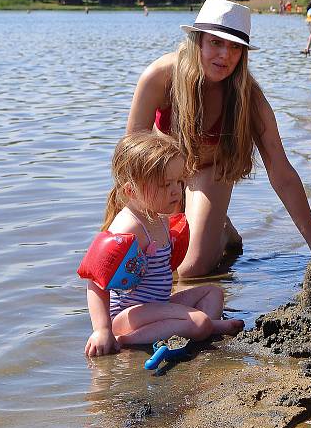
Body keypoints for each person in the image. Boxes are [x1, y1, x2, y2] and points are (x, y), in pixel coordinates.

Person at [126, 0, 311, 277]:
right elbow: (131, 161)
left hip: (211, 171)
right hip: (163, 178)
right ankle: (203, 219)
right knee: (145, 263)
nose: (225, 55)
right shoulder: (160, 77)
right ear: (198, 40)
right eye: (216, 43)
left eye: (235, 47)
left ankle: (221, 233)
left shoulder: (250, 98)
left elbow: (282, 174)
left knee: (189, 271)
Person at [83, 132, 244, 357]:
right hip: (128, 315)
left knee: (213, 293)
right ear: (131, 190)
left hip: (156, 304)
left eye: (179, 182)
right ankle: (125, 341)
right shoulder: (129, 227)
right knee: (199, 322)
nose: (176, 191)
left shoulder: (158, 217)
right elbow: (96, 281)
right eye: (165, 184)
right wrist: (102, 330)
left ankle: (202, 326)